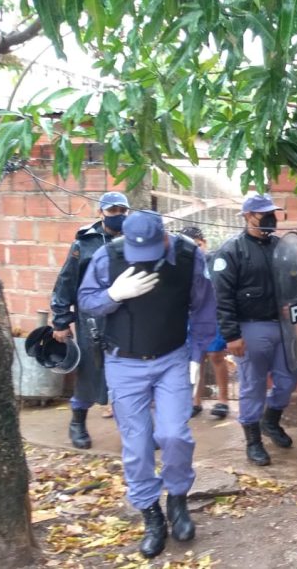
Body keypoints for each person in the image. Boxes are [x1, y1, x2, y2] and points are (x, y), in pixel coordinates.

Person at [77, 211, 217, 558]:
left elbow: (203, 306)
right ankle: (151, 514)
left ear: (165, 238)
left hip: (171, 358)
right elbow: (86, 302)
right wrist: (113, 293)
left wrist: (197, 356)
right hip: (124, 362)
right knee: (137, 446)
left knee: (174, 435)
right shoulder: (107, 257)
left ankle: (178, 501)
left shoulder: (187, 255)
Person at [212, 193, 297, 466]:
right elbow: (221, 296)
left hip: (282, 327)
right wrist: (231, 336)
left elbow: (294, 280)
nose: (271, 218)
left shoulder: (280, 247)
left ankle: (270, 422)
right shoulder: (232, 250)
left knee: (288, 379)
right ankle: (253, 440)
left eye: (273, 212)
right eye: (264, 214)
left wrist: (292, 302)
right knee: (253, 385)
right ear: (249, 216)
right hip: (250, 328)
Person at [50, 191, 129, 448]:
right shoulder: (84, 243)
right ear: (101, 212)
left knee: (128, 376)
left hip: (127, 318)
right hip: (92, 320)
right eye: (112, 211)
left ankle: (133, 430)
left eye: (121, 211)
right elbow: (66, 283)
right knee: (89, 372)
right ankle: (78, 422)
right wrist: (61, 322)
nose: (117, 216)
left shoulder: (135, 240)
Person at [179, 226, 232, 420]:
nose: (195, 249)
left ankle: (223, 400)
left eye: (198, 245)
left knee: (217, 356)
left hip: (212, 317)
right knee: (196, 358)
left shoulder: (216, 261)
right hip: (191, 318)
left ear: (204, 243)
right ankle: (196, 401)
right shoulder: (181, 265)